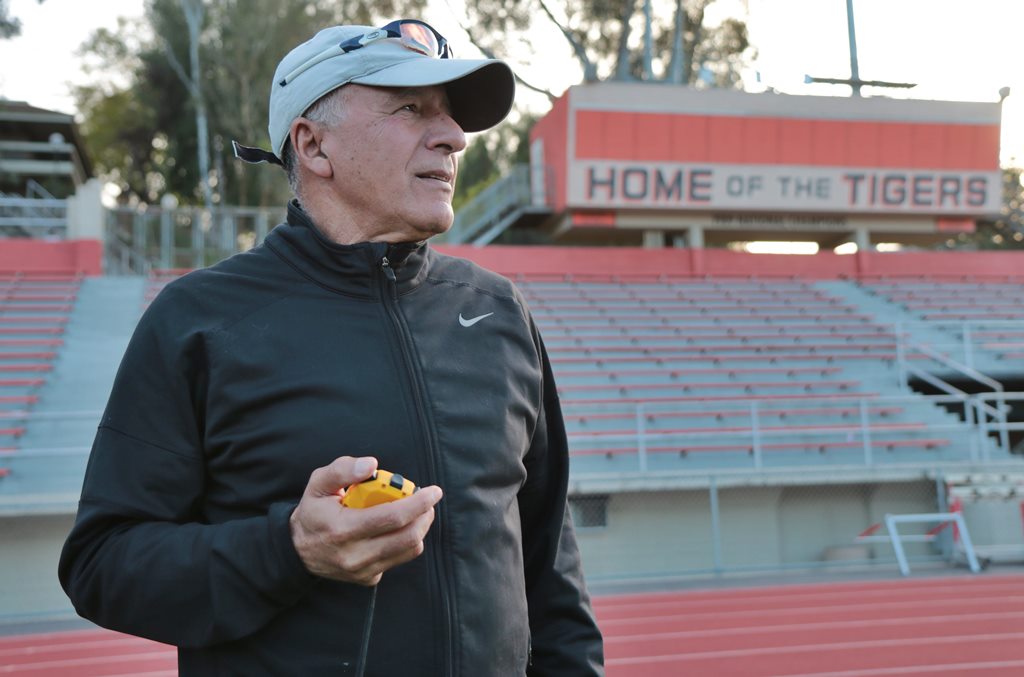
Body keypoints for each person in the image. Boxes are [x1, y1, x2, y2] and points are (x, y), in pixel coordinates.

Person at [58, 19, 604, 677]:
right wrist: (288, 549)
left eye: (452, 117)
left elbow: (549, 564)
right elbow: (102, 565)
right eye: (411, 109)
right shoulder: (199, 321)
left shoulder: (496, 311)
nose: (455, 137)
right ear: (314, 146)